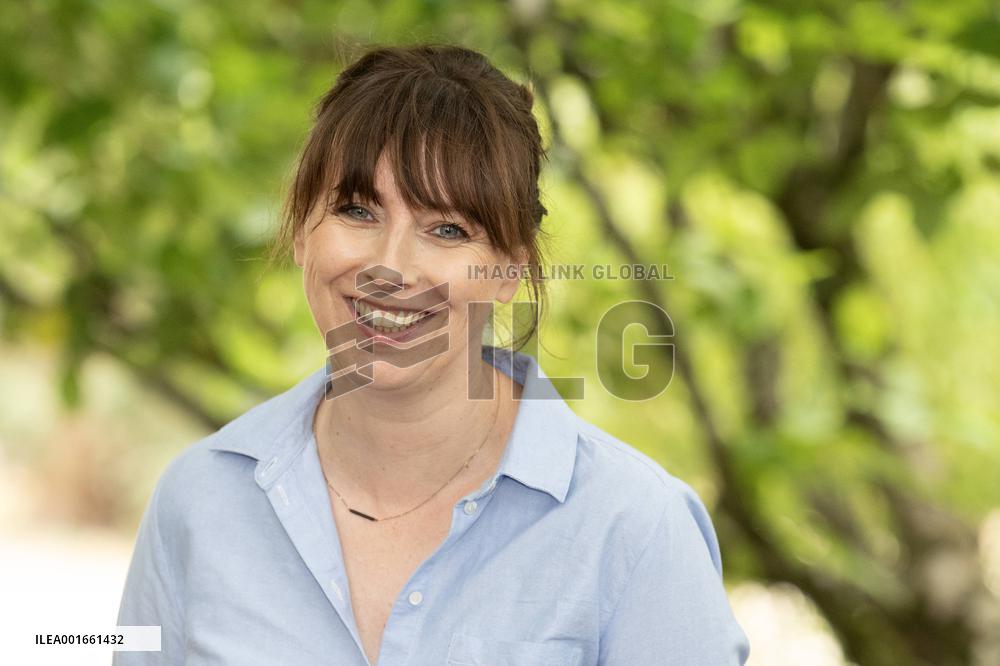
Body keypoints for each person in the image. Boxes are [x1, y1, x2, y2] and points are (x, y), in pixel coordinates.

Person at [114, 43, 750, 665]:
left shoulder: (635, 528)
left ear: (507, 272)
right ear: (302, 230)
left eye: (448, 229)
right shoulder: (197, 503)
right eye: (357, 210)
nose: (391, 267)